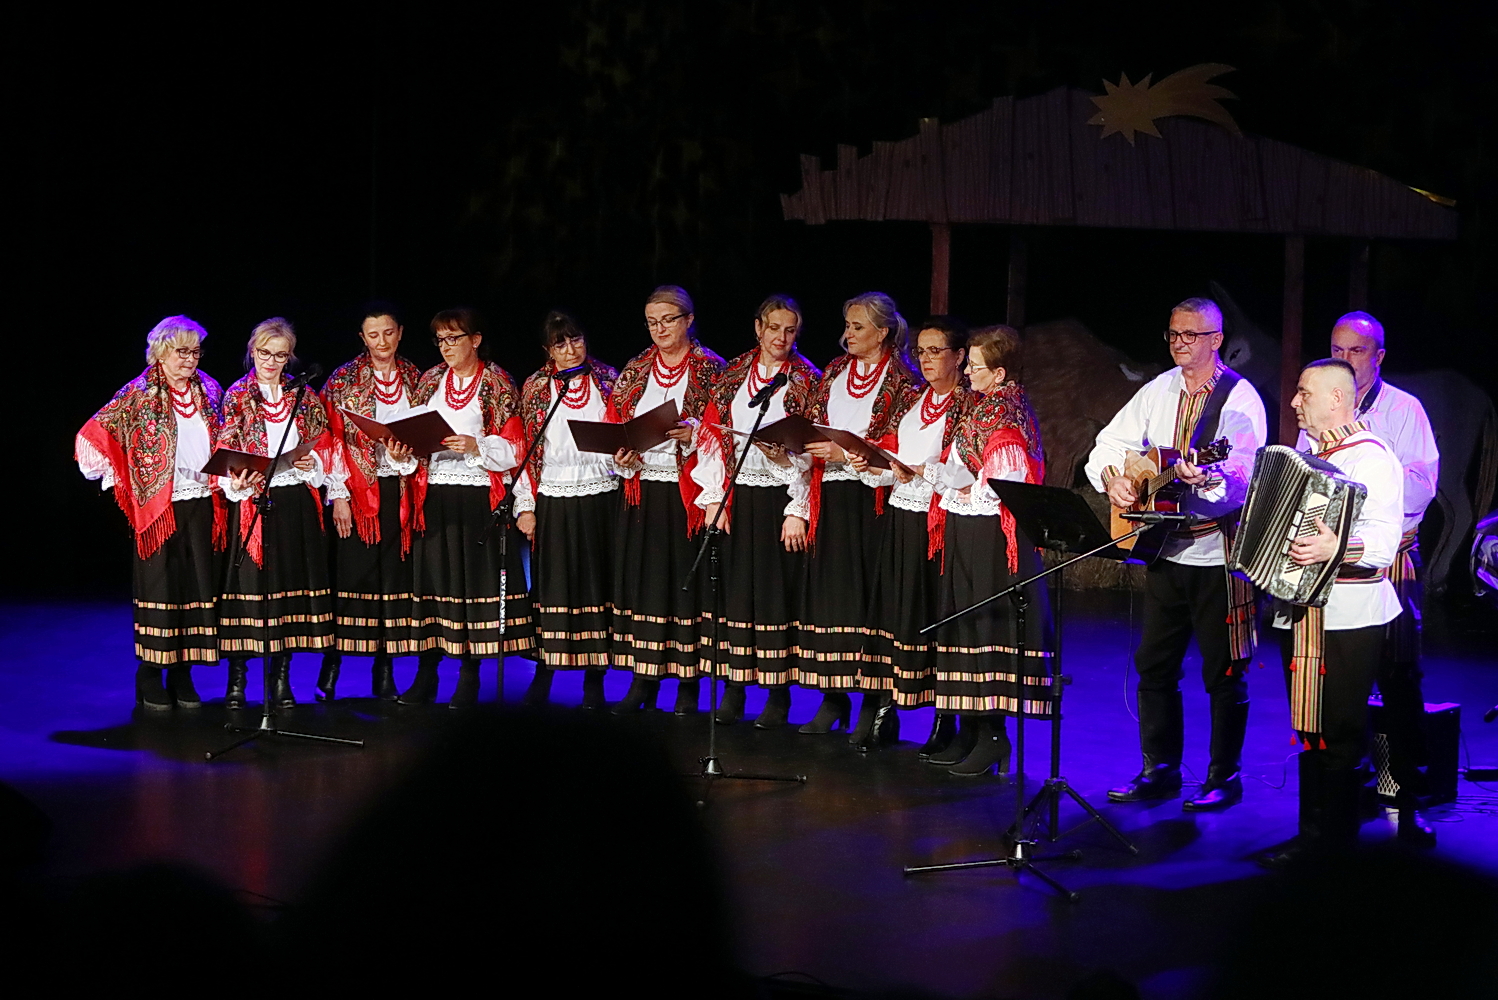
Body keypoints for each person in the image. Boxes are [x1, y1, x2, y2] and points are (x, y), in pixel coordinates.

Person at [1086, 297, 1267, 810]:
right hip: (1165, 548)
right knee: (1154, 664)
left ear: (1216, 340)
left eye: (1191, 335)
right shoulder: (1158, 389)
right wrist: (1115, 479)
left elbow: (1241, 476)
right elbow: (1108, 443)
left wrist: (1204, 478)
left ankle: (1224, 777)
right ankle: (1159, 769)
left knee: (1224, 669)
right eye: (1173, 334)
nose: (1179, 343)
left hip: (1218, 555)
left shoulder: (1240, 399)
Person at [1298, 311, 1441, 845]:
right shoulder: (1317, 418)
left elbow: (1421, 485)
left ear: (1378, 357)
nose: (1345, 358)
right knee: (1335, 695)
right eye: (1337, 349)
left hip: (1392, 559)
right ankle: (1346, 802)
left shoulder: (1404, 411)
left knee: (1399, 681)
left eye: (1355, 350)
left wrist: (1361, 481)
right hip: (1329, 570)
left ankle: (1407, 801)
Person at [1259, 360, 1405, 866]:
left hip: (1350, 613)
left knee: (1339, 730)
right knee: (1310, 727)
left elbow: (1384, 542)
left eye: (1304, 392)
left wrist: (1335, 547)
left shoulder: (1372, 456)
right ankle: (1316, 832)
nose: (1294, 402)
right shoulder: (1308, 454)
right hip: (1301, 609)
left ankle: (1333, 843)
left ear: (1337, 399)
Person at [75, 316, 226, 710]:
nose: (190, 360)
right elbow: (93, 435)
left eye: (195, 352)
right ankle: (150, 672)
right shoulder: (139, 393)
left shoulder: (210, 389)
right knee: (162, 585)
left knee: (197, 584)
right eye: (182, 352)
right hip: (161, 507)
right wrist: (124, 478)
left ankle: (183, 671)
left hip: (203, 500)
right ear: (160, 351)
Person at [924, 325, 1049, 775]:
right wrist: (947, 479)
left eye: (975, 367)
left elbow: (1005, 484)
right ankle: (971, 728)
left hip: (992, 536)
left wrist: (959, 485)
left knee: (986, 629)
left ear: (998, 373)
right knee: (964, 626)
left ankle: (994, 736)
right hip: (968, 527)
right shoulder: (982, 408)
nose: (968, 373)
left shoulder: (1006, 415)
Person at [848, 316, 976, 753]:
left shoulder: (969, 407)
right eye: (921, 351)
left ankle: (945, 718)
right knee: (896, 612)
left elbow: (966, 472)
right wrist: (873, 465)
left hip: (940, 523)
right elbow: (895, 461)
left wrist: (921, 471)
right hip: (903, 515)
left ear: (960, 356)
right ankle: (887, 709)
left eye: (936, 351)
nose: (926, 359)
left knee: (935, 615)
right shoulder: (913, 400)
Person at [797, 292, 922, 734]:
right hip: (832, 495)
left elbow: (904, 443)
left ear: (883, 331)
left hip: (875, 500)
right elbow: (812, 422)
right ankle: (833, 697)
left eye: (857, 327)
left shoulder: (904, 380)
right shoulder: (834, 371)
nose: (847, 334)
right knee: (834, 594)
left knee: (873, 596)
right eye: (847, 325)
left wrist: (847, 453)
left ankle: (875, 701)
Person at [692, 295, 820, 727]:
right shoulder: (733, 375)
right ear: (758, 329)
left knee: (773, 592)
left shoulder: (806, 380)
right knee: (735, 591)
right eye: (774, 328)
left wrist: (797, 507)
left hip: (779, 496)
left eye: (790, 330)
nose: (781, 337)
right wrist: (715, 497)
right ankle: (734, 686)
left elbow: (812, 449)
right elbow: (712, 435)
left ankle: (778, 693)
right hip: (738, 494)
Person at [402, 308, 537, 707]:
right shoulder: (430, 381)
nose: (446, 347)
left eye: (453, 339)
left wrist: (477, 446)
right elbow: (413, 433)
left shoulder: (496, 382)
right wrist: (401, 448)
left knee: (470, 584)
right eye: (440, 340)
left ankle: (469, 674)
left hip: (477, 495)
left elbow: (516, 448)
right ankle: (427, 672)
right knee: (436, 582)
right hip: (435, 493)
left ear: (475, 340)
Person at [609, 285, 726, 714]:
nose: (659, 329)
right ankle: (644, 678)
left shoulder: (712, 369)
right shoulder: (637, 368)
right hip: (644, 489)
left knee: (684, 587)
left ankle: (688, 682)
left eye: (668, 320)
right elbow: (615, 422)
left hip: (687, 493)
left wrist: (696, 435)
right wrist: (621, 454)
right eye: (652, 322)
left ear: (688, 320)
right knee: (646, 584)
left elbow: (725, 432)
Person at [217, 318, 340, 709]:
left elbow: (324, 446)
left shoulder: (302, 394)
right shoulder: (237, 395)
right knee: (249, 591)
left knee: (287, 591)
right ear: (252, 352)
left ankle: (281, 678)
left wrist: (311, 464)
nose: (271, 362)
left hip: (294, 501)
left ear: (290, 357)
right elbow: (225, 451)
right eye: (264, 353)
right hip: (253, 502)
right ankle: (238, 680)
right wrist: (237, 478)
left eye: (280, 356)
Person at [512, 311, 620, 709]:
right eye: (560, 344)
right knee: (554, 586)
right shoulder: (537, 387)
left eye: (576, 340)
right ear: (548, 350)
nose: (571, 349)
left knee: (597, 584)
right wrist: (526, 506)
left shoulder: (608, 380)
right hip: (554, 496)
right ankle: (545, 673)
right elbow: (525, 450)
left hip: (601, 494)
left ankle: (595, 681)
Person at [316, 302, 421, 702]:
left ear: (400, 333)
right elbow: (329, 438)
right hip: (357, 493)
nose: (382, 342)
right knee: (351, 578)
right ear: (362, 338)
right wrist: (339, 495)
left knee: (393, 579)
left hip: (401, 488)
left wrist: (406, 454)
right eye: (373, 335)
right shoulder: (343, 379)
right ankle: (333, 665)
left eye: (388, 333)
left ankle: (385, 669)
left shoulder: (415, 377)